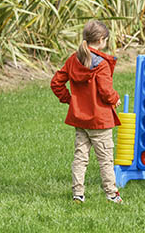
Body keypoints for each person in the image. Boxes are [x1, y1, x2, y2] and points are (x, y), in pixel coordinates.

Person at [50, 20, 124, 204]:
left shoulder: (73, 60)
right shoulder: (102, 64)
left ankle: (78, 193)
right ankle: (112, 194)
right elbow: (106, 91)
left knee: (80, 157)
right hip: (100, 121)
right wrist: (115, 99)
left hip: (80, 120)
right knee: (105, 159)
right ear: (100, 40)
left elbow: (56, 83)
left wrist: (70, 100)